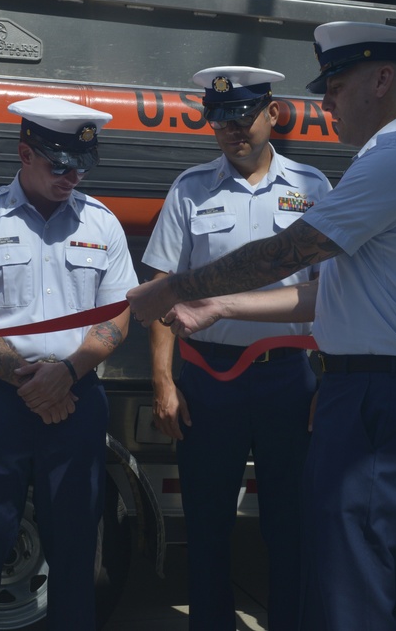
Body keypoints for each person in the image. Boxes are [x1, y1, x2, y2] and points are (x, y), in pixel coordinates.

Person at [128, 21, 396, 628]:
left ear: (382, 79)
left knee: (353, 575)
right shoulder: (388, 160)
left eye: (336, 82)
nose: (327, 100)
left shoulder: (394, 161)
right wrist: (220, 307)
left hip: (374, 395)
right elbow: (319, 298)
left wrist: (179, 287)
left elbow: (290, 253)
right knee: (342, 567)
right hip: (357, 389)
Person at [0, 96, 137, 631]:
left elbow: (117, 319)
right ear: (25, 153)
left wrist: (65, 375)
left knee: (74, 549)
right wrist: (32, 381)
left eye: (84, 165)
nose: (74, 176)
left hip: (76, 395)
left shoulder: (103, 223)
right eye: (61, 165)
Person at [143, 66, 331, 631]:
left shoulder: (314, 189)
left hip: (288, 380)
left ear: (272, 114)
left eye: (242, 116)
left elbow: (336, 294)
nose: (231, 129)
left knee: (290, 522)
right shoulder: (190, 189)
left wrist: (331, 382)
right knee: (206, 522)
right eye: (219, 119)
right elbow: (159, 288)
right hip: (209, 378)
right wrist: (163, 380)